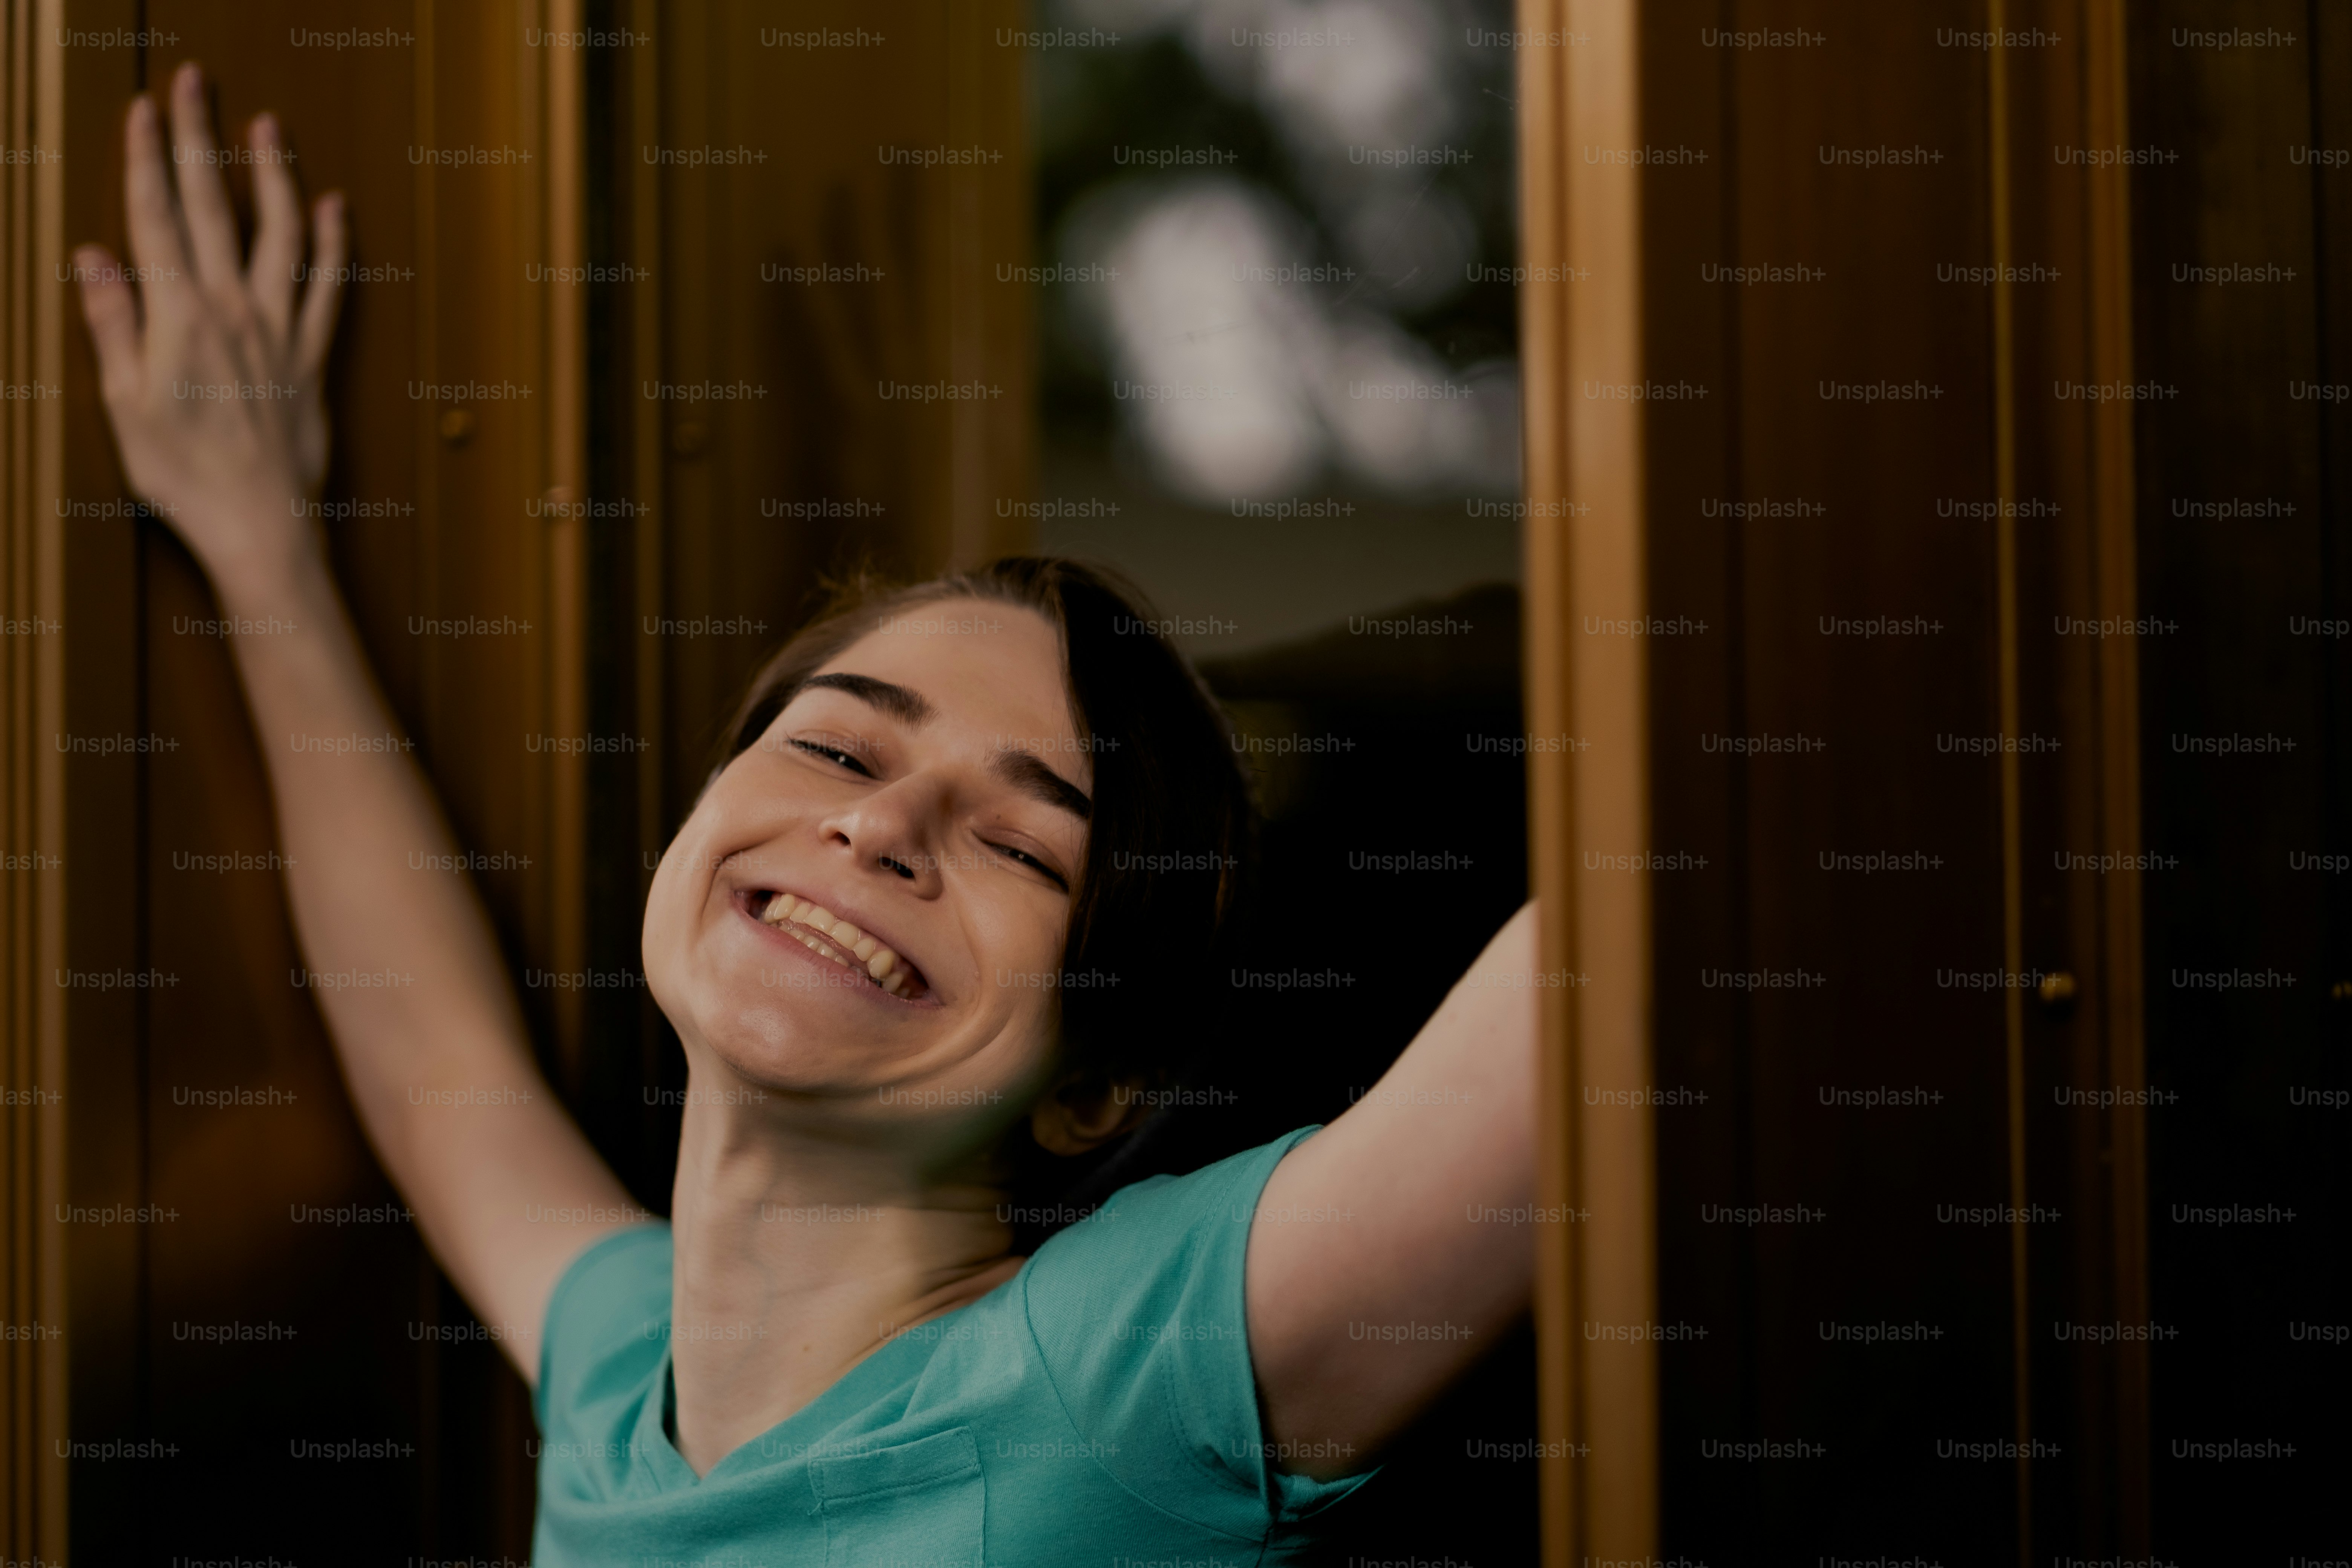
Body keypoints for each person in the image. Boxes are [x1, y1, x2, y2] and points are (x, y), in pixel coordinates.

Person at [76, 63, 1538, 1564]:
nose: (882, 824)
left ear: (1097, 1085)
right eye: (838, 749)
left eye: (1021, 843)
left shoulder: (1130, 1377)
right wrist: (257, 545)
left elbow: (1591, 980)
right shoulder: (616, 1376)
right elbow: (433, 1062)